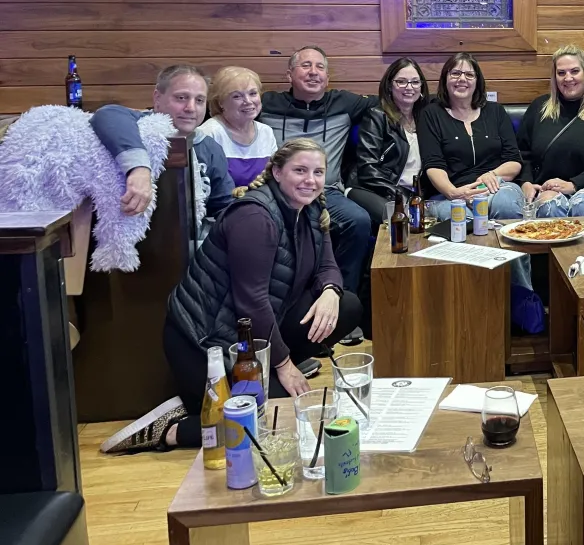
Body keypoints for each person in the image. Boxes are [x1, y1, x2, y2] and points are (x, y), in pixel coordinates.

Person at [100, 139, 363, 454]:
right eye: (300, 171)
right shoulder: (254, 216)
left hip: (250, 335)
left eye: (318, 172)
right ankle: (171, 429)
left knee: (346, 305)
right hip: (205, 341)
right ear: (277, 172)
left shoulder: (311, 208)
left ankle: (246, 385)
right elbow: (251, 302)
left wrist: (331, 291)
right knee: (274, 420)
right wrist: (284, 365)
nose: (310, 180)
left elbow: (328, 265)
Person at [258, 46, 375, 343]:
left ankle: (342, 305)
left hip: (326, 192)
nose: (313, 72)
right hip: (278, 193)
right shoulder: (265, 104)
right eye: (305, 66)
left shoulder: (345, 103)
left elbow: (392, 99)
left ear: (327, 76)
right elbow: (224, 105)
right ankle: (285, 319)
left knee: (359, 220)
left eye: (320, 67)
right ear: (289, 74)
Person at [91, 64, 234, 228]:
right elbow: (107, 113)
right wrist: (139, 169)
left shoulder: (210, 147)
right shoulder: (137, 127)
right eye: (181, 98)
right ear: (157, 98)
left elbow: (224, 207)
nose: (191, 108)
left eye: (199, 100)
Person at [492, 45, 584, 218]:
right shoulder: (539, 108)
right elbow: (522, 153)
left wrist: (574, 184)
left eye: (575, 71)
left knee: (582, 204)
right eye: (561, 73)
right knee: (550, 205)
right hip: (545, 189)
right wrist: (526, 182)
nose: (568, 78)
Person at [417, 52, 524, 220]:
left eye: (469, 74)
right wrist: (454, 193)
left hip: (496, 187)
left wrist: (492, 174)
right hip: (448, 193)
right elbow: (433, 165)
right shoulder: (431, 114)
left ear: (477, 81)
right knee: (459, 218)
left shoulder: (496, 111)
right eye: (455, 73)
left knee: (506, 205)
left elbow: (514, 161)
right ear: (445, 79)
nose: (462, 79)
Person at [349, 57, 428, 233]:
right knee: (402, 221)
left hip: (412, 194)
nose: (409, 87)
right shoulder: (377, 116)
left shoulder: (425, 118)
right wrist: (399, 193)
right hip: (372, 190)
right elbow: (368, 168)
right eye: (401, 81)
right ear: (389, 86)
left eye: (415, 82)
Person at [196, 67, 277, 188]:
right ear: (221, 102)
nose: (248, 101)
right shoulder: (209, 133)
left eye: (253, 93)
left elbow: (274, 177)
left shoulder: (266, 131)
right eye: (237, 96)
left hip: (260, 199)